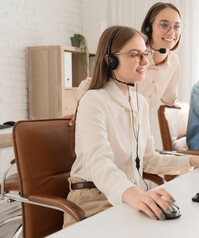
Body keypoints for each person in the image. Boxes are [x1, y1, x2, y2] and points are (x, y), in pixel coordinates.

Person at [63, 26, 199, 228]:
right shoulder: (94, 101)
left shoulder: (139, 101)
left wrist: (195, 160)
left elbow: (149, 158)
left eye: (145, 53)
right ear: (110, 60)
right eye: (135, 54)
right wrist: (134, 195)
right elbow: (99, 163)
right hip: (93, 199)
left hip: (129, 192)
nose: (145, 61)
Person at [67, 2, 183, 150]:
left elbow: (169, 97)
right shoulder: (134, 54)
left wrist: (177, 106)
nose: (172, 32)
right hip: (111, 124)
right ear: (149, 27)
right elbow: (92, 82)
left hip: (134, 128)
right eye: (164, 25)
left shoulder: (174, 63)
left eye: (177, 26)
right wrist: (81, 110)